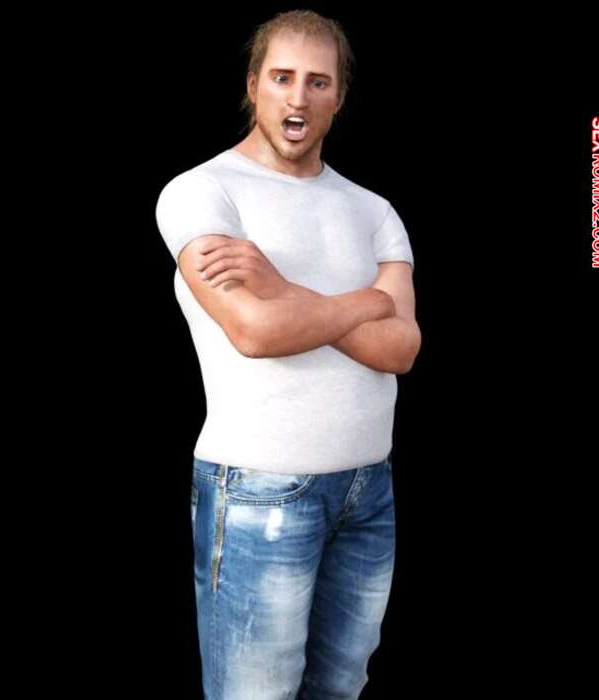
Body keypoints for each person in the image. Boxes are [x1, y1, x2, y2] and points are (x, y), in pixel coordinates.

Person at [155, 9, 421, 699]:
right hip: (260, 490)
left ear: (339, 96)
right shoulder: (203, 192)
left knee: (340, 689)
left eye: (317, 81)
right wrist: (366, 302)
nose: (298, 97)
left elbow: (403, 348)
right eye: (282, 77)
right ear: (253, 85)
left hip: (368, 492)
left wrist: (284, 289)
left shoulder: (374, 211)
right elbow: (256, 333)